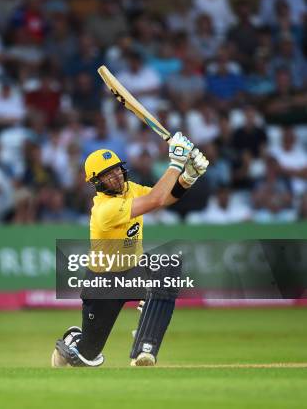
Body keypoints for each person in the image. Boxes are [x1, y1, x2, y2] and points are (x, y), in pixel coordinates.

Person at [52, 132, 209, 367]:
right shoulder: (105, 210)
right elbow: (155, 200)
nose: (115, 176)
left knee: (167, 269)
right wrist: (176, 162)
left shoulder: (130, 188)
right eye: (107, 175)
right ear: (97, 182)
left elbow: (164, 198)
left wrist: (188, 177)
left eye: (116, 169)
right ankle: (73, 341)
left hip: (134, 269)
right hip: (104, 283)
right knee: (87, 357)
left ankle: (144, 349)